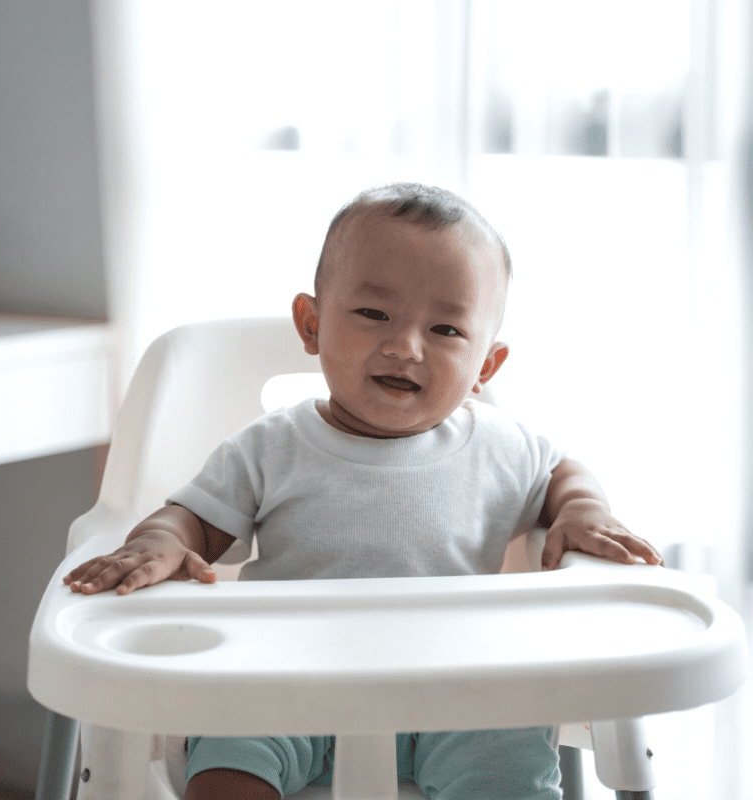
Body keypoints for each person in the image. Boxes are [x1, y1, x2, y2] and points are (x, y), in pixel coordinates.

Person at [64, 183, 663, 800]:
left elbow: (563, 474)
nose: (405, 347)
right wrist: (159, 541)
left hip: (461, 695)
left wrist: (584, 509)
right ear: (312, 324)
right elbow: (193, 520)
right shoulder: (271, 446)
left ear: (485, 365)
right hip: (287, 684)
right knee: (228, 752)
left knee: (510, 749)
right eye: (375, 314)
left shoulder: (501, 447)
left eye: (446, 329)